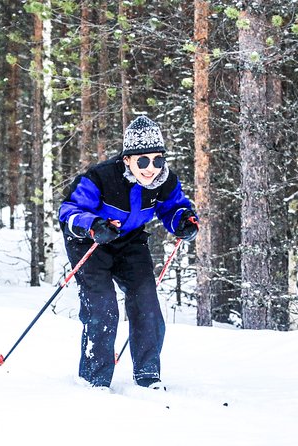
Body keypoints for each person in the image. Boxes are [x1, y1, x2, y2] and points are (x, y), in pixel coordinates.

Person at [58, 116, 198, 390]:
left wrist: (183, 221)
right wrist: (93, 226)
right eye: (143, 161)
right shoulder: (100, 178)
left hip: (129, 242)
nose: (151, 169)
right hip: (91, 242)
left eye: (157, 160)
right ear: (127, 160)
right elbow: (68, 211)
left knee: (146, 303)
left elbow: (173, 208)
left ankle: (148, 377)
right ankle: (94, 380)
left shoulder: (164, 181)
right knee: (103, 308)